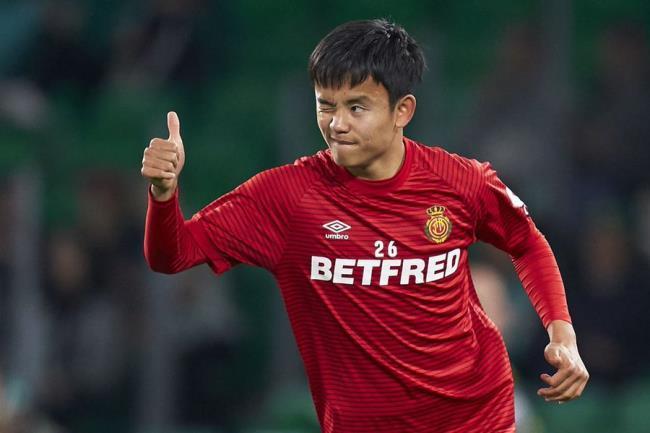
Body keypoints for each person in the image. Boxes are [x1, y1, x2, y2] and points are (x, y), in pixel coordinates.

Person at [141, 19, 588, 433]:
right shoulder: (286, 197)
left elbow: (526, 242)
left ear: (402, 111)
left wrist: (562, 334)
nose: (337, 124)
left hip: (474, 416)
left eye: (357, 107)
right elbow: (173, 255)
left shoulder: (459, 181)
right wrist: (164, 196)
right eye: (326, 106)